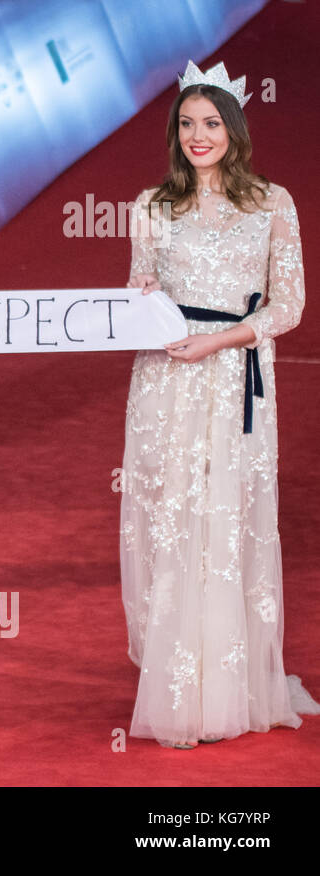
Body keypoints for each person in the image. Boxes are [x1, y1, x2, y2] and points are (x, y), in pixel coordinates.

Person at [121, 60, 319, 750]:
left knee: (229, 521)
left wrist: (222, 341)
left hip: (234, 376)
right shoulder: (151, 206)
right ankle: (179, 677)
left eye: (211, 124)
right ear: (174, 133)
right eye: (186, 124)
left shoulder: (274, 204)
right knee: (170, 519)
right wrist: (141, 311)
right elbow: (138, 291)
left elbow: (290, 306)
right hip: (166, 383)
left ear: (234, 128)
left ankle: (234, 682)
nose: (198, 136)